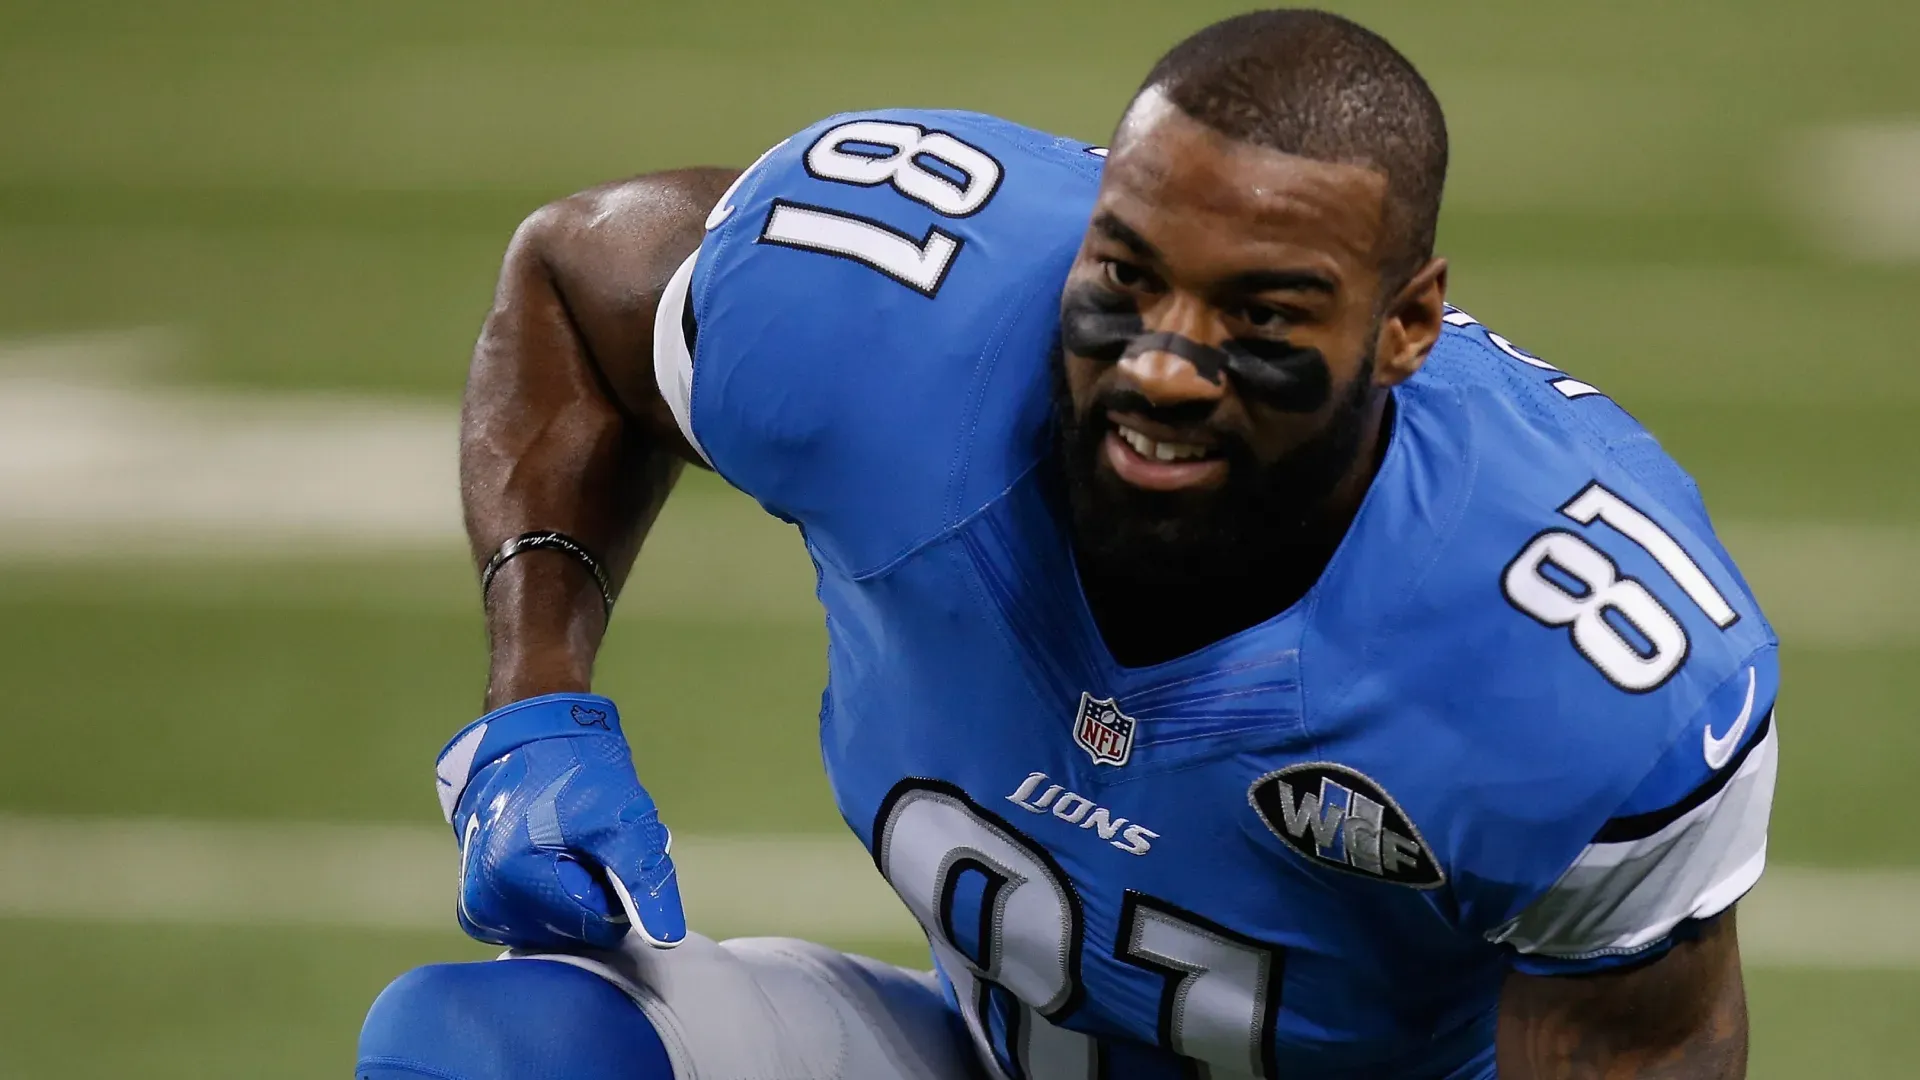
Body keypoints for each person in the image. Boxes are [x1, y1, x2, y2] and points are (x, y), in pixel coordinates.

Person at [358, 9, 1776, 1078]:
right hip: (987, 1052)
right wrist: (534, 703)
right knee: (485, 1054)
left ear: (1405, 325)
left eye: (1261, 314)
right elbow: (574, 287)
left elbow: (1642, 1045)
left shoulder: (1567, 654)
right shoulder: (886, 316)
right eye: (1127, 276)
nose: (1162, 364)